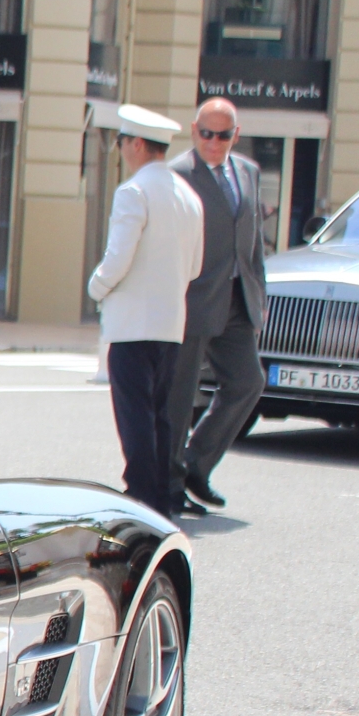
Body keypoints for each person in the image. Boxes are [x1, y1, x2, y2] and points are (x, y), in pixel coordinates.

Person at [86, 104, 202, 519]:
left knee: (134, 416)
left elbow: (117, 258)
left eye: (121, 142)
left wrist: (96, 287)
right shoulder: (189, 197)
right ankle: (162, 500)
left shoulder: (133, 192)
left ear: (136, 144)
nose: (120, 150)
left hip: (132, 324)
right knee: (161, 418)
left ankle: (141, 499)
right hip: (171, 324)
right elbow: (195, 268)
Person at [168, 96, 268, 513]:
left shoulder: (248, 172)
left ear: (235, 135)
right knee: (180, 394)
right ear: (194, 131)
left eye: (223, 134)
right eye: (206, 133)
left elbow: (254, 239)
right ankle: (170, 486)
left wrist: (257, 294)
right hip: (192, 299)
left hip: (236, 299)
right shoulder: (178, 175)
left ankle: (196, 464)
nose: (214, 141)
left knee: (248, 382)